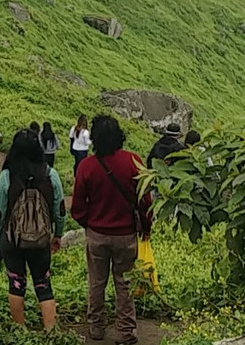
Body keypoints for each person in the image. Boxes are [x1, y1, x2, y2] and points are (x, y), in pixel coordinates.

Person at [71, 115, 152, 345]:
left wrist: (90, 224)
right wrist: (146, 227)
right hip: (126, 235)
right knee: (124, 283)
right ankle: (126, 332)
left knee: (96, 282)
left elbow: (77, 207)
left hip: (97, 234)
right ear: (119, 135)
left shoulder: (86, 166)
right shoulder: (133, 161)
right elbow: (145, 200)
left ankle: (96, 328)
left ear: (94, 138)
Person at [0, 129, 65, 332]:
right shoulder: (50, 174)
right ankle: (51, 331)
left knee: (16, 284)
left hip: (12, 241)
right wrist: (57, 234)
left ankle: (21, 331)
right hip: (41, 241)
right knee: (43, 285)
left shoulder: (7, 176)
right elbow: (59, 209)